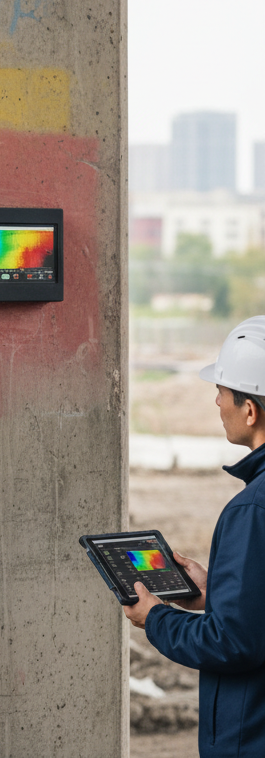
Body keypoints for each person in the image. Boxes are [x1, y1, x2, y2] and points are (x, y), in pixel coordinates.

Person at [124, 315, 265, 757]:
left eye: (221, 392)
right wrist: (215, 593)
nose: (217, 403)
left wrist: (155, 617)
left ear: (250, 409)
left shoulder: (252, 509)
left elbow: (233, 644)